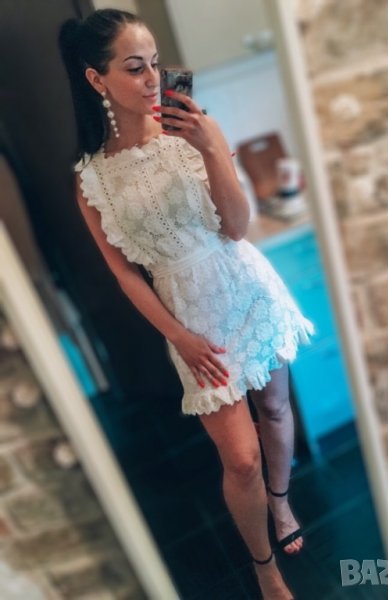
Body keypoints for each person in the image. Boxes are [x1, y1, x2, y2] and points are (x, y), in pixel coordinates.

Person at [58, 9, 316, 600]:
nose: (152, 78)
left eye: (155, 64)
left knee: (276, 410)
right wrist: (179, 337)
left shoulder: (197, 131)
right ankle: (264, 569)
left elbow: (237, 226)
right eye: (134, 67)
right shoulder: (91, 180)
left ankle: (281, 504)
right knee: (241, 459)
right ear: (97, 79)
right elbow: (125, 274)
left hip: (246, 287)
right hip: (190, 318)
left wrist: (211, 148)